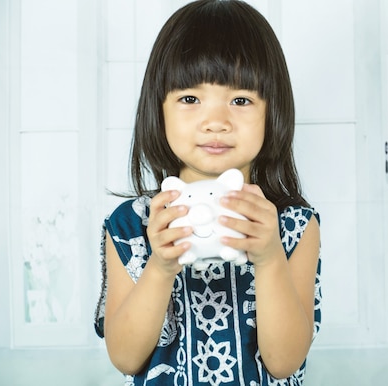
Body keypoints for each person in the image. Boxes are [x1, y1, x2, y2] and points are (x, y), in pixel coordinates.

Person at [93, 1, 322, 385]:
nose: (216, 122)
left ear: (272, 111)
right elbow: (125, 358)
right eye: (190, 99)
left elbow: (284, 363)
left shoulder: (295, 226)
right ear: (158, 109)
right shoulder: (130, 226)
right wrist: (161, 268)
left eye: (241, 100)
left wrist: (268, 259)